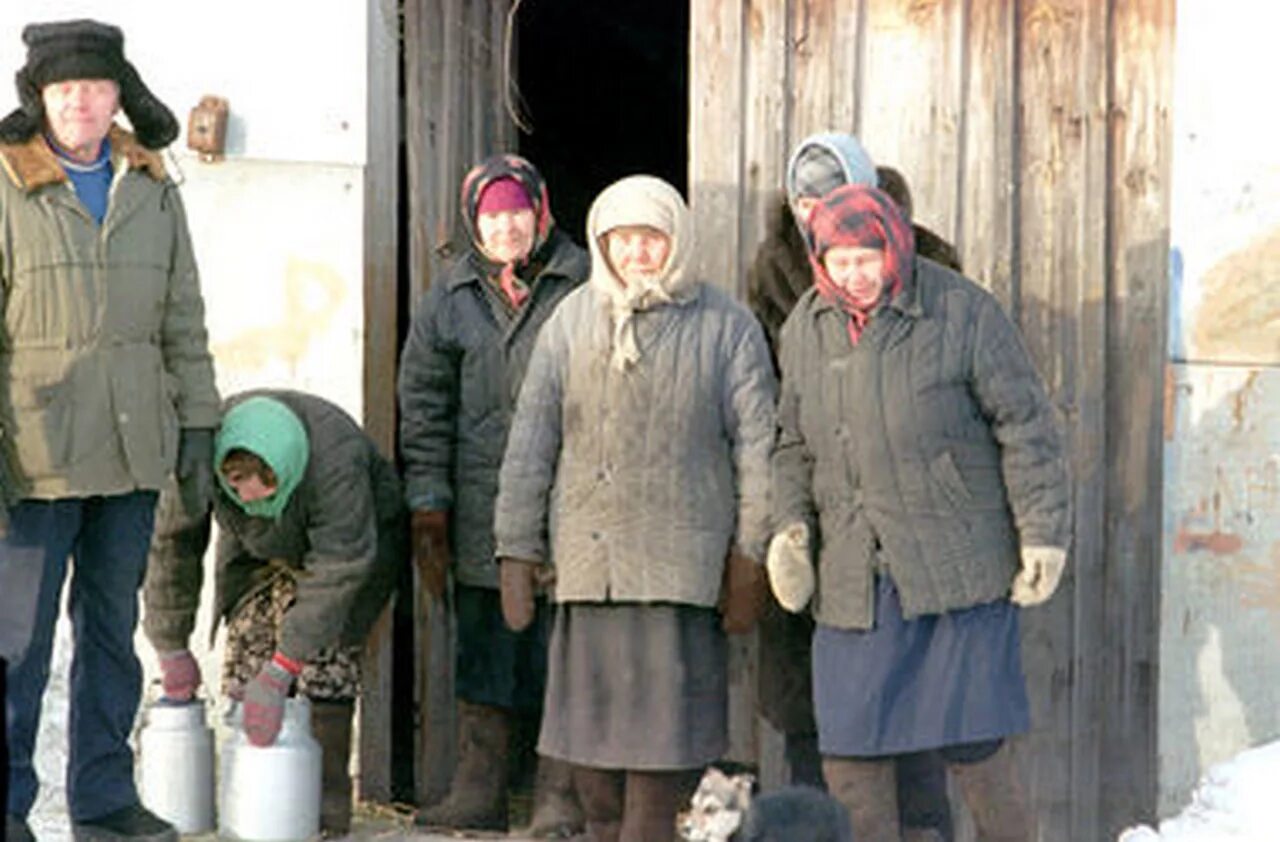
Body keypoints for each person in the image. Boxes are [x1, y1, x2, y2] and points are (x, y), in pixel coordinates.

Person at [768, 182, 1071, 842]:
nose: (854, 275)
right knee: (851, 753)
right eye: (838, 261)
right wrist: (790, 529)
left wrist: (1042, 534)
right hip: (854, 576)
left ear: (894, 245)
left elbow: (1025, 424)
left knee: (975, 749)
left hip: (955, 570)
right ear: (819, 260)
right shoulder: (806, 327)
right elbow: (790, 444)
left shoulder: (960, 311)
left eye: (867, 258)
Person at [494, 175, 776, 842]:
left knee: (658, 779)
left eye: (650, 239)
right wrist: (516, 547)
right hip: (591, 575)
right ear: (602, 244)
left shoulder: (725, 325)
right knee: (591, 772)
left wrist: (749, 556)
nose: (636, 254)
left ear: (675, 242)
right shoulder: (570, 321)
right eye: (621, 241)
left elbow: (760, 448)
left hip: (677, 583)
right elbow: (532, 437)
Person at [0, 20, 219, 842]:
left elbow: (183, 321)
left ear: (117, 94)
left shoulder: (151, 184)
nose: (81, 102)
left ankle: (101, 798)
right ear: (41, 99)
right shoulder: (7, 184)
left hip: (131, 453)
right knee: (15, 646)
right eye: (64, 90)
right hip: (34, 458)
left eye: (94, 87)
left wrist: (198, 424)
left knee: (111, 636)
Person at [746, 132, 957, 841]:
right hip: (812, 516)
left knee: (914, 707)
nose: (815, 212)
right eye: (804, 198)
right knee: (815, 707)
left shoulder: (929, 267)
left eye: (830, 195)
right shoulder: (773, 272)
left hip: (904, 522)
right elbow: (767, 409)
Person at [397, 154, 590, 834]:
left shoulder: (582, 284)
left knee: (561, 652)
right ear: (474, 222)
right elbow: (422, 407)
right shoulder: (448, 300)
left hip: (567, 505)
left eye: (516, 212)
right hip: (480, 506)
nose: (505, 227)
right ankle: (479, 789)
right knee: (485, 650)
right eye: (491, 215)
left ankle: (558, 798)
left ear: (540, 212)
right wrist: (428, 504)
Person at [144, 389, 406, 836]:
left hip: (350, 551)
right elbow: (173, 544)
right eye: (237, 490)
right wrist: (170, 644)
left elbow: (339, 567)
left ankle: (323, 810)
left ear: (283, 471)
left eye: (262, 489)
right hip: (258, 550)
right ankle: (249, 808)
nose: (248, 497)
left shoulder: (336, 462)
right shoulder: (202, 452)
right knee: (250, 647)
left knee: (325, 656)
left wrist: (284, 666)